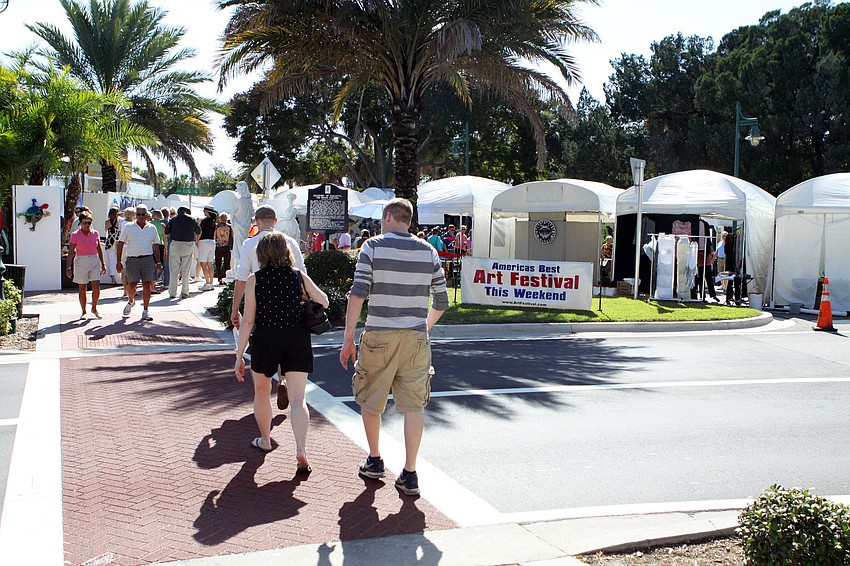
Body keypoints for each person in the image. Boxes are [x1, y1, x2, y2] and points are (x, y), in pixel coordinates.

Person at [339, 198, 449, 496]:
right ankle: (410, 473)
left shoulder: (372, 247)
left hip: (380, 335)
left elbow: (358, 293)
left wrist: (348, 338)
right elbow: (442, 301)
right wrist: (423, 327)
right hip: (415, 338)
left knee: (371, 400)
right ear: (409, 221)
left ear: (388, 217)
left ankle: (375, 460)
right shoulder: (429, 252)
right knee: (414, 406)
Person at [234, 232, 328, 469]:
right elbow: (324, 301)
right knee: (298, 400)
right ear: (286, 251)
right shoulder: (298, 276)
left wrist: (239, 354)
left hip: (266, 340)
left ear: (261, 254)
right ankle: (301, 449)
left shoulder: (256, 279)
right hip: (296, 339)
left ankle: (266, 440)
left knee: (262, 393)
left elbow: (248, 321)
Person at [231, 205, 306, 412]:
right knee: (286, 342)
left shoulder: (249, 244)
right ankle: (283, 379)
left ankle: (266, 394)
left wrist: (235, 308)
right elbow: (302, 274)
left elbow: (241, 279)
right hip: (289, 302)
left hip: (259, 300)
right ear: (275, 220)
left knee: (264, 345)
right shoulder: (288, 241)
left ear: (255, 221)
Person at [115, 204, 162, 321]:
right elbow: (120, 244)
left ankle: (145, 311)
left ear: (147, 215)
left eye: (143, 214)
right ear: (135, 215)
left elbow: (156, 246)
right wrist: (118, 261)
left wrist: (158, 262)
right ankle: (130, 301)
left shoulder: (152, 228)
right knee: (131, 285)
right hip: (132, 259)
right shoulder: (128, 227)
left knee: (147, 284)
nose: (141, 217)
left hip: (148, 259)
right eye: (139, 214)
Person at [66, 211, 106, 319]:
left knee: (96, 287)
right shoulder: (75, 235)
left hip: (94, 259)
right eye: (85, 223)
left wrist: (103, 263)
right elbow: (70, 252)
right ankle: (84, 311)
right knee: (82, 288)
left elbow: (99, 249)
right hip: (81, 261)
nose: (87, 225)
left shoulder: (95, 233)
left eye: (89, 223)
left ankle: (94, 308)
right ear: (80, 223)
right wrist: (68, 267)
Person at [164, 206, 200, 299]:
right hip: (188, 244)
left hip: (175, 244)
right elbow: (198, 230)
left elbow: (166, 231)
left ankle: (172, 292)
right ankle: (185, 291)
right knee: (186, 269)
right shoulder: (192, 219)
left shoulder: (173, 219)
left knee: (174, 270)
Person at [231, 181, 254, 268]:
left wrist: (233, 223)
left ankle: (240, 263)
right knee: (244, 243)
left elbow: (232, 213)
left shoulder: (239, 201)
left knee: (238, 244)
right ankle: (243, 262)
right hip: (246, 224)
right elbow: (252, 213)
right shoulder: (249, 201)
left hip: (238, 224)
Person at [198, 206, 217, 291]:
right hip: (211, 242)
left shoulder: (203, 221)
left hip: (204, 242)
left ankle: (207, 282)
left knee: (203, 263)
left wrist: (197, 241)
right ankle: (211, 283)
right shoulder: (214, 221)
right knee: (210, 263)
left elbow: (200, 232)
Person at [214, 212, 233, 285]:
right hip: (227, 247)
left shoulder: (217, 226)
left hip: (218, 246)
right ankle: (226, 278)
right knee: (227, 263)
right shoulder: (229, 227)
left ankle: (219, 279)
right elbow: (231, 237)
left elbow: (215, 235)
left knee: (218, 264)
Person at [150, 209, 167, 292]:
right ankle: (153, 285)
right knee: (158, 265)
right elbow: (164, 238)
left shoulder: (149, 224)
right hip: (160, 245)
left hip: (150, 246)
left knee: (151, 265)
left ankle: (151, 284)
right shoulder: (162, 225)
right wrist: (166, 249)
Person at [103, 207, 121, 285]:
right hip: (117, 241)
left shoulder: (107, 222)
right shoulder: (119, 221)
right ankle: (119, 278)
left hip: (110, 242)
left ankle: (113, 279)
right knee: (119, 260)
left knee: (111, 261)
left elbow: (106, 230)